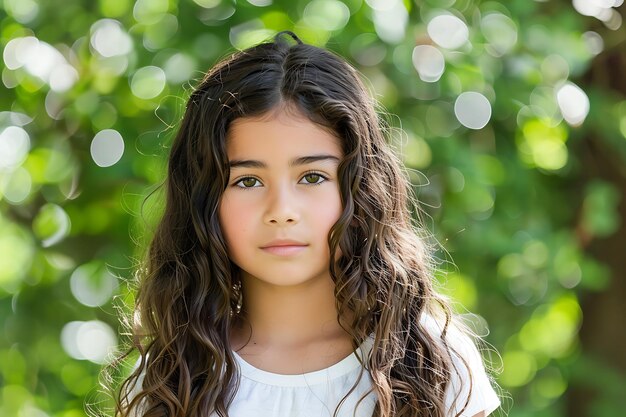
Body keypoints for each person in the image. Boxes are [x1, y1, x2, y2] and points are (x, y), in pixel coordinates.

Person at [113, 31, 501, 417]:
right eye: (247, 181)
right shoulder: (170, 380)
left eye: (312, 177)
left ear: (361, 187)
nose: (282, 210)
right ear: (203, 200)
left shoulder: (429, 360)